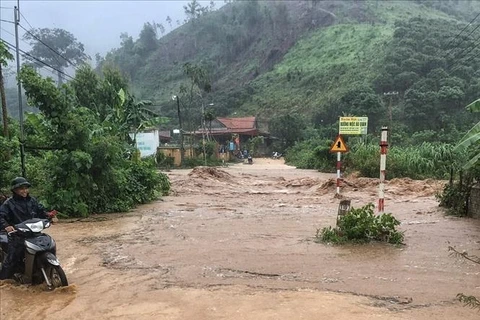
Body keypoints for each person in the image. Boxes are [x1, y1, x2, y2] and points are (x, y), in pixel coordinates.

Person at [0, 177, 53, 280]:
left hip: (34, 233)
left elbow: (41, 211)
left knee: (49, 246)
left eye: (26, 188)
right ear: (15, 190)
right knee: (12, 258)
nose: (24, 191)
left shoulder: (32, 201)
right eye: (21, 189)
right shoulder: (8, 203)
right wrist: (6, 226)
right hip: (17, 235)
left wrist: (50, 216)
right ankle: (3, 279)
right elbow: (1, 216)